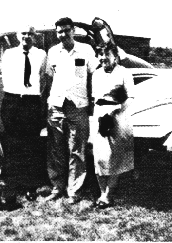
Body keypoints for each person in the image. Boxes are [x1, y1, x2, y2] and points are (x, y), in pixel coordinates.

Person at [44, 17, 98, 204]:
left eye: (66, 30)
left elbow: (93, 77)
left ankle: (74, 191)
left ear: (73, 30)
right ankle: (57, 188)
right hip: (56, 107)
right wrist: (49, 104)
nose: (63, 34)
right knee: (56, 150)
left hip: (78, 107)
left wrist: (91, 102)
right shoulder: (52, 52)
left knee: (77, 150)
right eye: (59, 31)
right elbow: (50, 79)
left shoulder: (86, 50)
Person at [0, 25, 47, 200]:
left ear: (34, 36)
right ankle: (12, 185)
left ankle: (30, 187)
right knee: (12, 143)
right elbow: (6, 78)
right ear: (18, 36)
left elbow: (43, 79)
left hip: (31, 102)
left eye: (30, 34)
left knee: (31, 144)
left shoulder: (41, 54)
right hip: (12, 101)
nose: (26, 36)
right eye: (23, 33)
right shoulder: (9, 54)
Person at [91, 44, 135, 209]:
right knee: (99, 157)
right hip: (100, 116)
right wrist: (100, 115)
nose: (103, 58)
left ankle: (108, 196)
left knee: (113, 158)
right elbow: (96, 98)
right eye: (100, 54)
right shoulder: (96, 74)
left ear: (115, 56)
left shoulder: (124, 73)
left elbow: (131, 97)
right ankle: (103, 193)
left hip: (118, 117)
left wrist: (117, 109)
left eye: (106, 54)